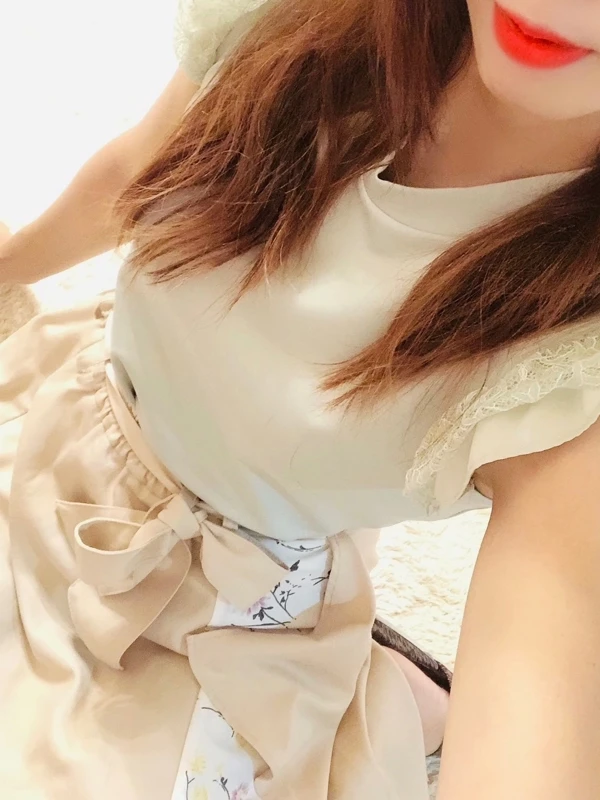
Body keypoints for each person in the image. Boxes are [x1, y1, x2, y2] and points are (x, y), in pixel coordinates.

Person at [1, 0, 600, 796]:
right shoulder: (297, 19)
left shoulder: (575, 367)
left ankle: (383, 695)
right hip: (77, 420)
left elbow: (547, 675)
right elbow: (134, 171)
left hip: (219, 608)